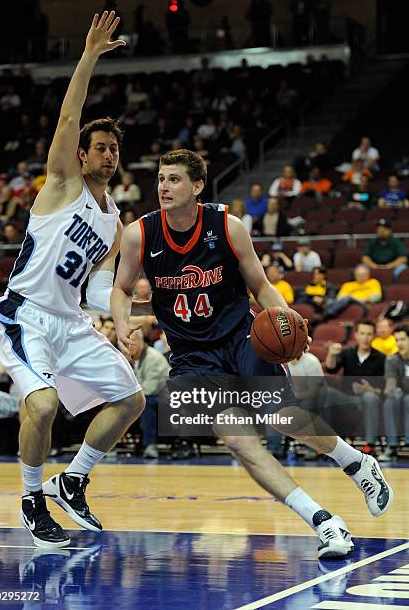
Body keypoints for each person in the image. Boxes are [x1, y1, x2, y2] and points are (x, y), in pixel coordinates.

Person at [111, 148, 393, 559]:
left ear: (197, 186)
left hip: (241, 338)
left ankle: (357, 463)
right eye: (160, 178)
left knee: (285, 419)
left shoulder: (228, 226)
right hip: (192, 356)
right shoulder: (140, 233)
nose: (164, 187)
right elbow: (120, 290)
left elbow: (260, 285)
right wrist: (120, 322)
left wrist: (286, 317)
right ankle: (324, 522)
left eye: (174, 179)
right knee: (241, 443)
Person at [0, 11, 146, 549]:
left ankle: (73, 479)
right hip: (23, 314)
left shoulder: (114, 223)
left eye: (115, 149)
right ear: (82, 155)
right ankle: (33, 498)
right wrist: (88, 57)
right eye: (100, 147)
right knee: (44, 405)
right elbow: (68, 115)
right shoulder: (61, 183)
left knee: (130, 398)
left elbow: (100, 289)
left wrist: (127, 319)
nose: (110, 153)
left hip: (71, 320)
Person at [324, 320, 385, 455]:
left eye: (369, 334)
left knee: (370, 397)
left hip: (368, 401)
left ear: (374, 336)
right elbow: (331, 368)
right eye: (362, 333)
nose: (365, 337)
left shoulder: (381, 358)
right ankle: (326, 443)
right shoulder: (348, 353)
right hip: (347, 398)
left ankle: (370, 444)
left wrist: (370, 390)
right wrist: (332, 354)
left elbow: (384, 390)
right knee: (327, 392)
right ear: (356, 335)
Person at [129, 328, 170, 458]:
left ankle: (150, 445)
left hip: (170, 401)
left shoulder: (153, 357)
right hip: (150, 397)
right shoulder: (131, 358)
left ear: (141, 341)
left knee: (146, 404)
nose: (130, 345)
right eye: (127, 343)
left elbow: (149, 389)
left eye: (133, 342)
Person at [380, 325, 409, 462]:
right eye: (397, 340)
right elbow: (390, 385)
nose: (399, 344)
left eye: (403, 339)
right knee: (390, 402)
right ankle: (392, 446)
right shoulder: (392, 360)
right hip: (401, 396)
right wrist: (391, 391)